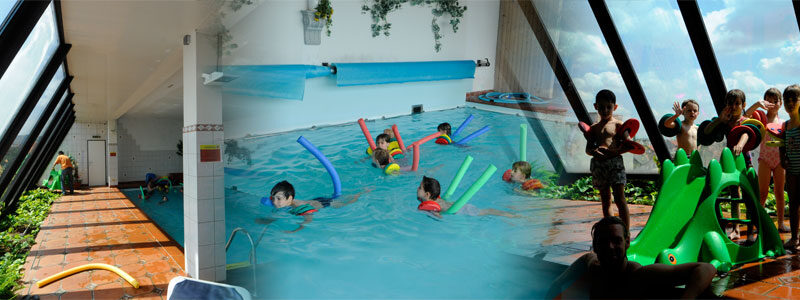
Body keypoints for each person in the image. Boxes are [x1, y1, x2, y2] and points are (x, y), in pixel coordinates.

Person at [546, 216, 717, 299]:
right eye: (603, 241)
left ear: (627, 242)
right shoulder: (590, 264)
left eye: (616, 240)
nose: (610, 247)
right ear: (595, 245)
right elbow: (555, 284)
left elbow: (706, 268)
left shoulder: (639, 275)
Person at [703, 89, 751, 240]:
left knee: (748, 195)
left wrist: (740, 144)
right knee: (734, 195)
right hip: (729, 161)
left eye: (737, 103)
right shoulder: (726, 121)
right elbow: (707, 131)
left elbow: (746, 133)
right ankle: (736, 228)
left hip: (744, 159)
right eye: (731, 103)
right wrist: (720, 119)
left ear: (743, 105)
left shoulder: (744, 120)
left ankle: (750, 229)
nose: (734, 106)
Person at [584, 90, 630, 229]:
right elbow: (588, 149)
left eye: (608, 107)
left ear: (614, 107)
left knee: (620, 198)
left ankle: (625, 233)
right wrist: (594, 151)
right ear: (595, 106)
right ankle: (611, 231)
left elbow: (629, 145)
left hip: (614, 164)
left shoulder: (619, 125)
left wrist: (612, 152)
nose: (605, 110)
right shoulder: (594, 128)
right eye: (601, 107)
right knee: (605, 200)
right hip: (599, 165)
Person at [746, 88, 788, 233]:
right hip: (764, 159)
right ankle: (759, 222)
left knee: (779, 192)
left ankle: (781, 223)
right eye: (768, 101)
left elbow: (784, 142)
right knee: (762, 193)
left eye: (775, 101)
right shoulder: (760, 118)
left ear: (780, 103)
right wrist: (757, 104)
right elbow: (745, 117)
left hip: (779, 160)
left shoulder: (783, 123)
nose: (772, 104)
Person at [265, 180, 363, 233]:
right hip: (314, 200)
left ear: (290, 198)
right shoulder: (284, 204)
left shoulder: (299, 207)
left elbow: (308, 219)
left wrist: (295, 231)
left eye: (278, 199)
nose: (274, 201)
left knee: (346, 203)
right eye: (273, 198)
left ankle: (361, 193)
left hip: (324, 204)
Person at [416, 176, 516, 218]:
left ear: (427, 194)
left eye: (420, 188)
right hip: (460, 206)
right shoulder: (435, 199)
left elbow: (439, 217)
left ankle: (512, 216)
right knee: (486, 211)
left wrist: (433, 214)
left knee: (486, 211)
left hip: (463, 210)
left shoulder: (433, 206)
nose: (417, 188)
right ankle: (511, 214)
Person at [780, 84, 800, 253]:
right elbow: (782, 144)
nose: (790, 103)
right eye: (787, 100)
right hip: (792, 170)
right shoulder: (786, 125)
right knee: (793, 204)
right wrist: (782, 158)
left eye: (794, 99)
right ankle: (794, 238)